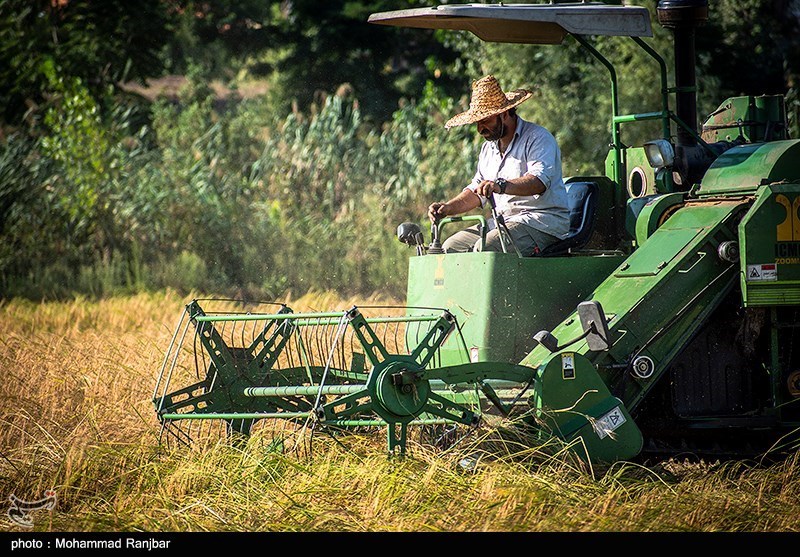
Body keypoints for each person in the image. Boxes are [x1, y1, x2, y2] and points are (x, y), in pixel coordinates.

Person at [428, 75, 570, 255]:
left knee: (486, 248)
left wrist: (501, 186)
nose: (480, 128)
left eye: (485, 120)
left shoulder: (538, 138)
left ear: (504, 113)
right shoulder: (488, 148)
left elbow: (538, 182)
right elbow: (476, 191)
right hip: (504, 222)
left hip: (541, 223)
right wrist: (448, 208)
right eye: (477, 123)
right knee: (451, 247)